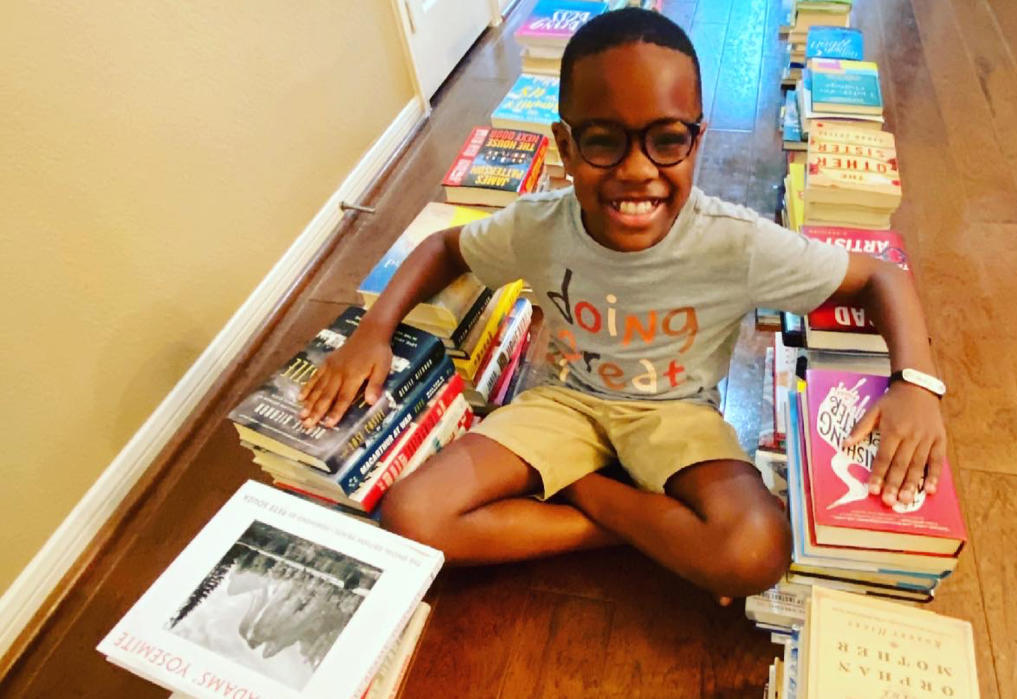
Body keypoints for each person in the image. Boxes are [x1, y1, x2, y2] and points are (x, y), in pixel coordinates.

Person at [297, 8, 947, 600]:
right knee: (414, 517)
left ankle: (590, 496)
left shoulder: (736, 242)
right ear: (564, 144)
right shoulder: (539, 226)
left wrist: (914, 384)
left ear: (698, 137)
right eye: (605, 140)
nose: (637, 171)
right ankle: (639, 526)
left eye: (667, 140)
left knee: (755, 550)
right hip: (565, 405)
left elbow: (880, 277)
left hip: (676, 418)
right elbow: (445, 247)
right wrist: (373, 330)